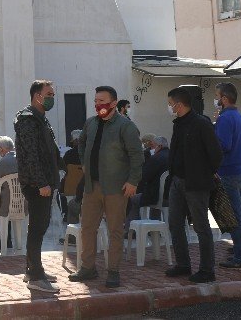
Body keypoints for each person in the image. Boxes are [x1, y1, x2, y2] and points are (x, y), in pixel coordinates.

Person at [69, 86, 142, 288]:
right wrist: (84, 162)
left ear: (113, 103)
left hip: (116, 188)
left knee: (115, 231)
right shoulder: (91, 123)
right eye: (95, 100)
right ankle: (88, 267)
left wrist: (133, 181)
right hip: (92, 187)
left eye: (102, 101)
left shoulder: (125, 126)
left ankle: (113, 270)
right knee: (87, 228)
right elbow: (81, 143)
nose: (98, 104)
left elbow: (137, 155)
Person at [165, 86, 223, 283]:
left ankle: (207, 269)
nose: (170, 107)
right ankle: (183, 264)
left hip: (196, 183)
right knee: (174, 223)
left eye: (171, 104)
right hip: (177, 181)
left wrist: (203, 174)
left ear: (179, 105)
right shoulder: (178, 124)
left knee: (200, 226)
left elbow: (215, 154)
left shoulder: (201, 123)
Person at [14, 80, 61, 294]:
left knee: (40, 227)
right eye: (49, 93)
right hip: (36, 184)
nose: (52, 97)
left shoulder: (41, 119)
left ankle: (33, 268)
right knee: (37, 228)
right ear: (37, 96)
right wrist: (42, 182)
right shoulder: (28, 120)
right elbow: (31, 154)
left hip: (45, 182)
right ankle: (35, 274)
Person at [213, 82, 241, 270]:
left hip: (229, 172)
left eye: (217, 96)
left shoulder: (225, 119)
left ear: (224, 98)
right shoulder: (240, 117)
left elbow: (222, 145)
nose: (215, 99)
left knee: (234, 217)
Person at [127, 135, 170, 224]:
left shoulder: (156, 158)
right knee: (156, 199)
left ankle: (131, 231)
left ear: (160, 146)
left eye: (153, 146)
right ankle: (155, 229)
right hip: (172, 196)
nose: (151, 148)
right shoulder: (173, 156)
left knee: (133, 199)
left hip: (156, 196)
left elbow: (144, 176)